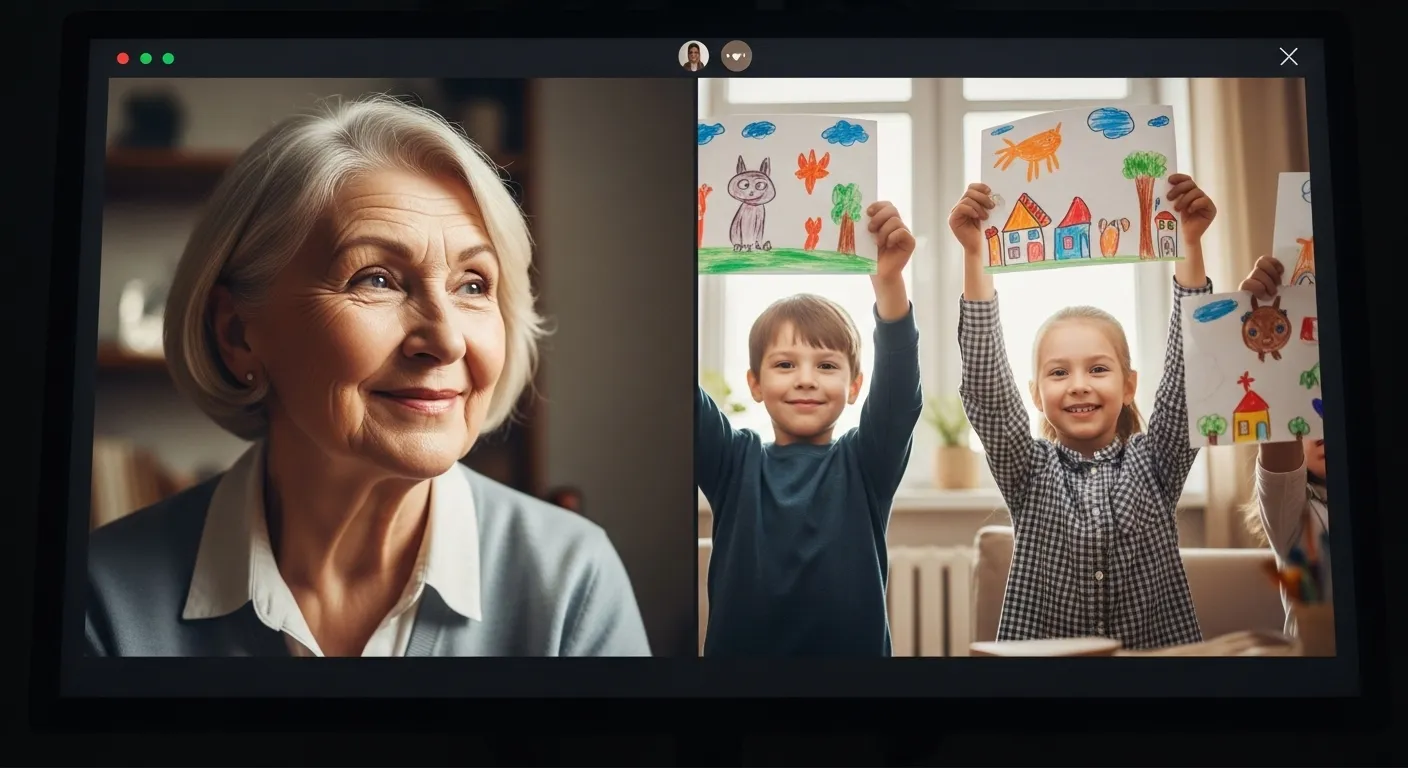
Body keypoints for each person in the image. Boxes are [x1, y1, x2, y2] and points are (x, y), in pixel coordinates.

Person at [85, 95, 651, 657]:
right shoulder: (102, 602)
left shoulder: (573, 584)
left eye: (473, 285)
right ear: (237, 334)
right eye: (376, 279)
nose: (447, 339)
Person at [949, 175, 1217, 650]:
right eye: (1058, 373)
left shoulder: (1157, 463)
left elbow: (1187, 379)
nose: (1078, 385)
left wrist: (1189, 245)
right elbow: (989, 391)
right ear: (1035, 395)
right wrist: (975, 256)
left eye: (1097, 368)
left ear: (1129, 385)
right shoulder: (1027, 469)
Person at [695, 202, 922, 656]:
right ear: (755, 385)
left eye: (826, 365)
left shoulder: (865, 463)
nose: (805, 378)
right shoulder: (732, 461)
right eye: (784, 364)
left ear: (854, 386)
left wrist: (891, 285)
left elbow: (899, 398)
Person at [1238, 255, 1329, 635]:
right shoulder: (1293, 515)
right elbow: (1278, 438)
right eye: (1309, 420)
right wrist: (1253, 324)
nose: (1324, 427)